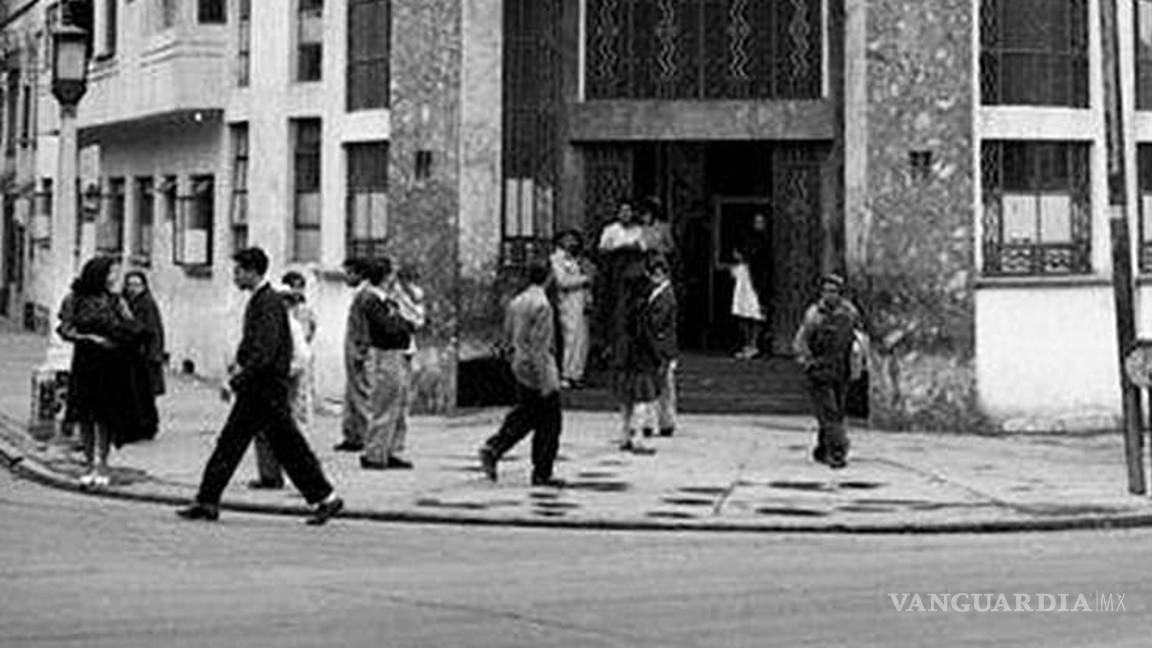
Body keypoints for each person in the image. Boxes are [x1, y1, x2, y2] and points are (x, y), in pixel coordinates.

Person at [177, 247, 343, 525]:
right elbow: (252, 346)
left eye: (238, 270)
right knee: (265, 445)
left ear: (252, 271)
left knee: (269, 445)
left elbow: (264, 352)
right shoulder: (262, 300)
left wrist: (237, 379)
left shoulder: (267, 302)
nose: (235, 275)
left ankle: (324, 497)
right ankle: (208, 500)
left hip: (263, 389)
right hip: (261, 388)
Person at [63, 257, 150, 487]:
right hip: (85, 360)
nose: (114, 278)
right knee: (85, 415)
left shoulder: (116, 300)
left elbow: (130, 324)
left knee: (104, 416)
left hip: (110, 362)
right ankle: (89, 463)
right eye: (111, 273)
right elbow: (66, 329)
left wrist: (123, 336)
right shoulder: (75, 299)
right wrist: (89, 338)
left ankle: (103, 462)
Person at [478, 261, 564, 487]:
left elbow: (506, 337)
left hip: (519, 363)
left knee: (527, 414)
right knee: (550, 423)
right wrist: (545, 380)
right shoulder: (542, 305)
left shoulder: (517, 302)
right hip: (539, 368)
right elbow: (540, 346)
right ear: (548, 278)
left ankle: (495, 447)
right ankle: (542, 471)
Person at [249, 270, 319, 490]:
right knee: (273, 430)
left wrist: (284, 373)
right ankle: (273, 474)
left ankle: (277, 475)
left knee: (273, 430)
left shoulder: (289, 325)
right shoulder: (287, 323)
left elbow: (300, 356)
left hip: (280, 381)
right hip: (283, 379)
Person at [793, 273, 863, 470]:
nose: (828, 295)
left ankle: (823, 448)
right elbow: (801, 340)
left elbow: (859, 338)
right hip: (820, 369)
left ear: (841, 294)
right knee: (829, 412)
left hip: (842, 370)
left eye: (833, 291)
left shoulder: (850, 313)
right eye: (825, 291)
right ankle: (838, 451)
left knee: (836, 412)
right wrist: (806, 361)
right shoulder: (814, 314)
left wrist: (858, 363)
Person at [613, 254, 675, 453]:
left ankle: (624, 436)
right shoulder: (642, 306)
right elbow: (648, 331)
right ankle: (637, 437)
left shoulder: (623, 306)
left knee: (626, 399)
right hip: (641, 355)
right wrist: (657, 355)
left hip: (624, 353)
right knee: (641, 398)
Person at [360, 258, 416, 470]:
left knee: (398, 405)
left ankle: (391, 449)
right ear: (385, 277)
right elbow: (390, 328)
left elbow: (403, 323)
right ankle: (375, 452)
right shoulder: (372, 301)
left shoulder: (387, 301)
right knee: (384, 405)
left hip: (397, 353)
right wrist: (403, 325)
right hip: (386, 354)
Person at [335, 258, 374, 453]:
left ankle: (367, 436)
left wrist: (362, 351)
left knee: (360, 396)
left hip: (357, 351)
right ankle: (353, 435)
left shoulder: (364, 296)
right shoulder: (360, 295)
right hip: (352, 350)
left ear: (359, 274)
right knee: (351, 395)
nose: (346, 277)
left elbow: (365, 328)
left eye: (349, 273)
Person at [122, 270, 167, 439]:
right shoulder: (125, 302)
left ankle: (147, 427)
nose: (133, 288)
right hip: (132, 355)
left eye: (137, 285)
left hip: (145, 355)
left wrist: (155, 355)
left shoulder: (147, 303)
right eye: (130, 284)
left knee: (145, 394)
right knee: (137, 394)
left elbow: (154, 330)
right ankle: (138, 426)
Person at [550, 230, 592, 388]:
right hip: (568, 302)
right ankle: (567, 373)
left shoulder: (576, 259)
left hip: (581, 301)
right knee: (571, 338)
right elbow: (562, 281)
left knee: (582, 340)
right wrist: (585, 278)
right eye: (568, 240)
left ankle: (577, 373)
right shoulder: (557, 259)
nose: (571, 243)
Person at [732, 213, 772, 359]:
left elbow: (761, 259)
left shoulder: (766, 242)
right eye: (756, 221)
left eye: (761, 222)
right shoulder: (747, 239)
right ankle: (746, 344)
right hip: (745, 278)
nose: (759, 224)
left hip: (758, 280)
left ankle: (755, 345)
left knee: (756, 313)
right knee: (743, 312)